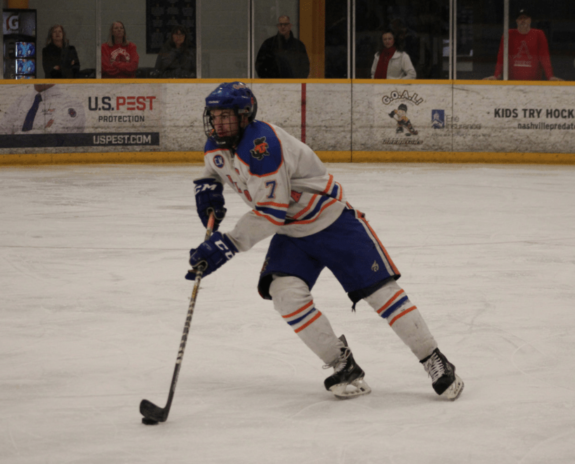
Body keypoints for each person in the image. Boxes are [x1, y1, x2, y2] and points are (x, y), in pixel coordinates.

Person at [186, 82, 464, 400]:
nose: (218, 123)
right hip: (292, 233)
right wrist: (207, 186)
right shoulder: (216, 145)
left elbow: (271, 213)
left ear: (245, 115)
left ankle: (434, 359)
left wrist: (227, 243)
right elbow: (215, 170)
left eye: (226, 116)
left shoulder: (262, 146)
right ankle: (342, 365)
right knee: (284, 294)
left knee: (381, 293)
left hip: (330, 221)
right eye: (214, 116)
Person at [484, 8, 562, 81]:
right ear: (516, 21)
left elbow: (544, 57)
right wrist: (496, 75)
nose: (523, 20)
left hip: (534, 84)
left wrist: (550, 76)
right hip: (512, 83)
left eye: (525, 18)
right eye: (520, 18)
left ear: (530, 20)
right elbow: (502, 56)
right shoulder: (508, 34)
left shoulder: (539, 34)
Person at [0, 84, 85, 134]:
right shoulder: (20, 101)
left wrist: (14, 135)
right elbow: (2, 131)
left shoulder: (70, 103)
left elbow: (50, 138)